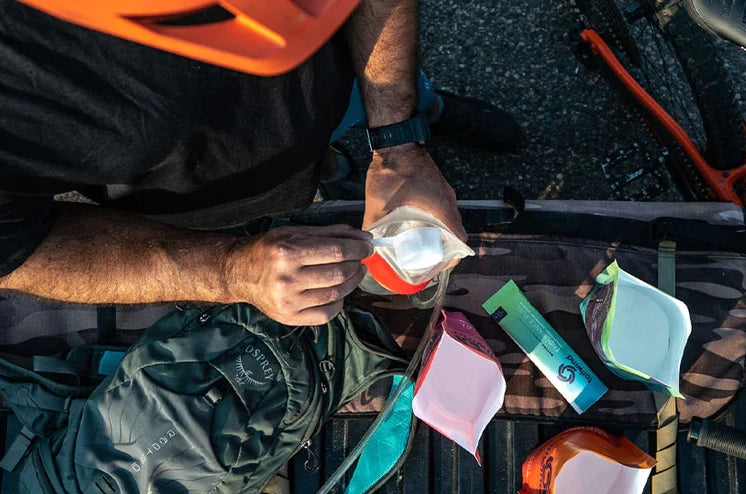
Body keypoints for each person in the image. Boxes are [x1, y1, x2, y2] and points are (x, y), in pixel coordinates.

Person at [0, 0, 521, 327]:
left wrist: (399, 140)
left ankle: (428, 108)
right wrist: (231, 270)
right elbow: (17, 250)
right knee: (308, 178)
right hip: (195, 190)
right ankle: (331, 171)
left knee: (388, 92)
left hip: (344, 81)